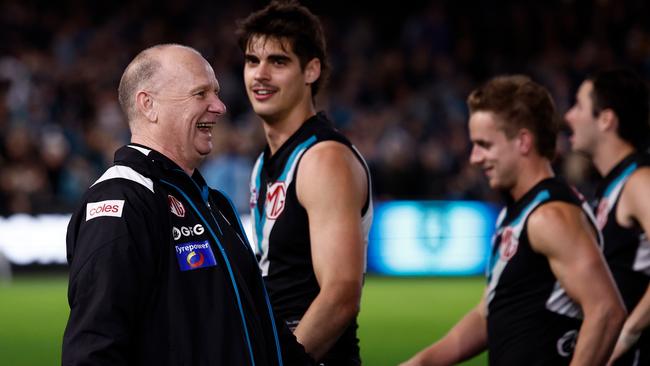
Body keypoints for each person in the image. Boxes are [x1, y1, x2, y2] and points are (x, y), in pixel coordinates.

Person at [62, 44, 311, 365]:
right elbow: (93, 350)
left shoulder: (212, 203)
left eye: (217, 93)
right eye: (200, 94)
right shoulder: (122, 199)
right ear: (148, 105)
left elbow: (263, 329)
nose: (220, 106)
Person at [401, 75, 626, 366]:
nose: (474, 158)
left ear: (522, 141)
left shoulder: (550, 216)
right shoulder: (519, 211)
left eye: (484, 144)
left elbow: (606, 310)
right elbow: (489, 312)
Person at [236, 1, 373, 364]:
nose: (260, 74)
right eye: (252, 61)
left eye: (278, 62)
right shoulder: (265, 163)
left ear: (311, 70)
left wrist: (282, 360)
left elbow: (341, 293)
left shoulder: (324, 159)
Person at [565, 68, 650, 366]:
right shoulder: (610, 187)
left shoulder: (639, 181)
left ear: (606, 119)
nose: (569, 116)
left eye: (578, 106)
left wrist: (628, 331)